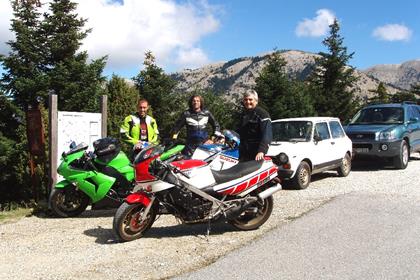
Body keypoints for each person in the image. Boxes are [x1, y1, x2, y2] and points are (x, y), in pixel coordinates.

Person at [238, 90, 272, 161]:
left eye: (250, 99)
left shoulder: (262, 114)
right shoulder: (243, 115)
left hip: (256, 154)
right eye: (245, 100)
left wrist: (262, 151)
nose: (248, 102)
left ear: (256, 101)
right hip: (244, 153)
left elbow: (267, 135)